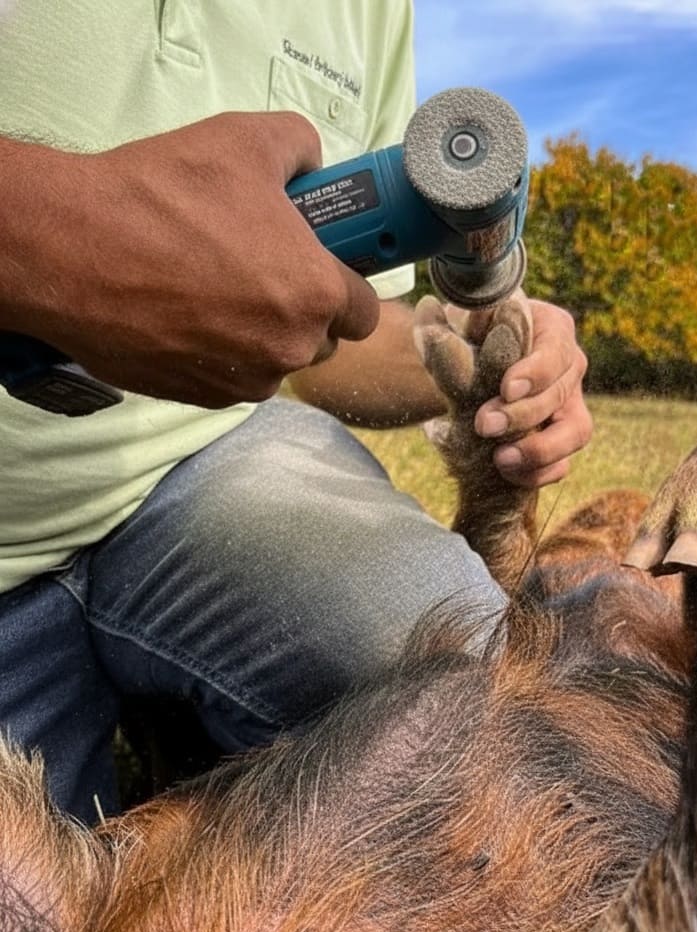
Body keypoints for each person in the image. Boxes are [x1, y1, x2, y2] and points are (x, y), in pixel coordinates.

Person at [0, 1, 591, 823]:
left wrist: (474, 347)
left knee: (476, 709)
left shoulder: (375, 13)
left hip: (207, 461)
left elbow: (334, 338)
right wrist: (43, 239)